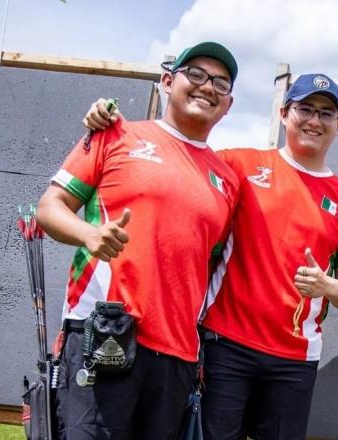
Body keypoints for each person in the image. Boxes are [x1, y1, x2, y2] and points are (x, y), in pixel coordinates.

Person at [83, 73, 338, 440]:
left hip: (296, 358)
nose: (314, 120)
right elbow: (175, 155)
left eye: (326, 113)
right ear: (284, 113)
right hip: (224, 344)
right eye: (305, 109)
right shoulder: (237, 165)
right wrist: (112, 125)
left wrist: (327, 285)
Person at [36, 41, 240, 440]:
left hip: (178, 353)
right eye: (195, 74)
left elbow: (209, 261)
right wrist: (89, 234)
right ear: (167, 81)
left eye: (220, 82)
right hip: (104, 332)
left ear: (228, 105)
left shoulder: (227, 179)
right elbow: (49, 208)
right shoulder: (116, 134)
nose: (207, 86)